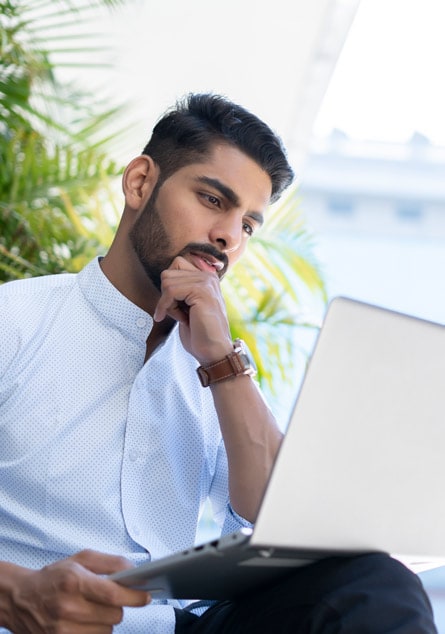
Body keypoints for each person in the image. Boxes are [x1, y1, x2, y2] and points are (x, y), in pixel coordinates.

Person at [0, 93, 437, 633]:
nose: (229, 236)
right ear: (140, 183)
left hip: (176, 626)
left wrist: (220, 360)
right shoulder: (15, 321)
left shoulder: (218, 363)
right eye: (212, 199)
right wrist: (16, 592)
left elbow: (274, 513)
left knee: (373, 582)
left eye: (249, 225)